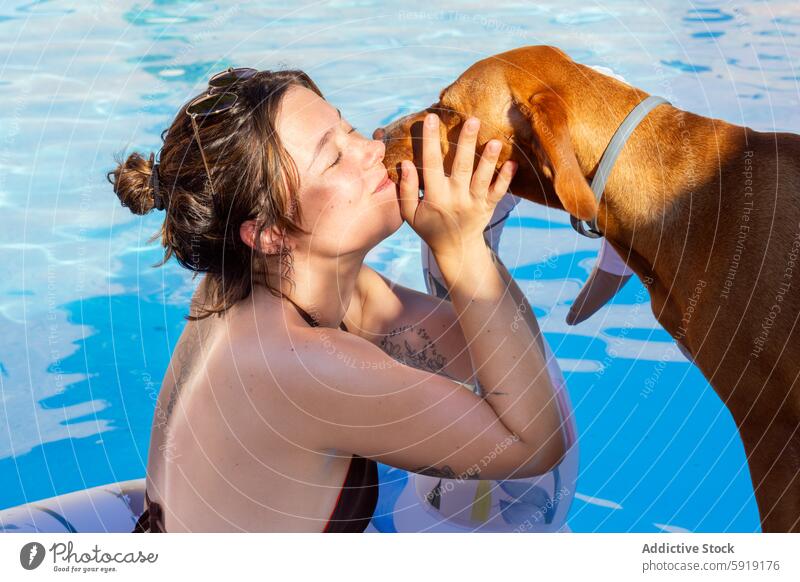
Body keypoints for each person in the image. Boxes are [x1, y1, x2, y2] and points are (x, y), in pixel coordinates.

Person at [109, 67, 568, 532]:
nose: (373, 147)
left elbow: (485, 355)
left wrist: (464, 225)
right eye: (333, 158)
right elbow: (534, 445)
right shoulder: (301, 364)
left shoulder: (273, 282)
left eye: (348, 129)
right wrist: (464, 249)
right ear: (268, 232)